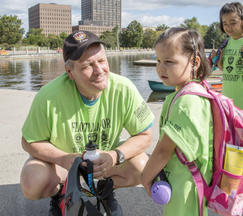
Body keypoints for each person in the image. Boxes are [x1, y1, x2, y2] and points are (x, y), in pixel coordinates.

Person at [20, 30, 155, 216]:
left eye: (102, 61)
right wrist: (64, 159)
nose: (99, 70)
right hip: (64, 165)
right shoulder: (48, 96)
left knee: (143, 165)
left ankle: (104, 191)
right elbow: (29, 141)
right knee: (32, 181)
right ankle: (61, 194)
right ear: (69, 72)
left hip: (105, 160)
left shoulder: (125, 89)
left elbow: (145, 135)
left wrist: (114, 156)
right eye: (87, 65)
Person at [141, 27, 213, 216]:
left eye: (169, 61)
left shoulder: (186, 102)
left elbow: (164, 150)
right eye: (158, 60)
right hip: (186, 181)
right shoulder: (187, 92)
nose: (160, 67)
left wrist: (145, 176)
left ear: (194, 62)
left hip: (187, 186)